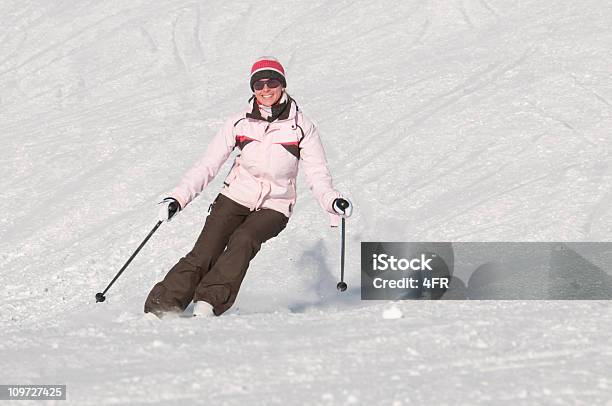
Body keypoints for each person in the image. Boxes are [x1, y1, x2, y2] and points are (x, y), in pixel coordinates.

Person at [144, 56, 353, 318]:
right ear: (253, 89)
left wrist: (331, 201)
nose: (266, 89)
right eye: (259, 84)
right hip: (235, 196)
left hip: (275, 204)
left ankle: (209, 301)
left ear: (283, 85)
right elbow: (208, 164)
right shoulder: (239, 122)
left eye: (272, 82)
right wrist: (178, 198)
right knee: (206, 250)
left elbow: (317, 173)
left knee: (244, 240)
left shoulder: (301, 127)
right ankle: (162, 305)